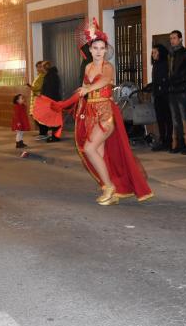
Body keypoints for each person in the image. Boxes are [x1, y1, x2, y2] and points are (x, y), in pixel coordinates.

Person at [36, 19, 153, 205]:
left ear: (106, 50)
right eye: (95, 48)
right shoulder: (88, 67)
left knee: (89, 148)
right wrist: (64, 103)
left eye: (102, 48)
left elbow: (104, 81)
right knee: (99, 153)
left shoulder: (108, 67)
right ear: (90, 50)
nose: (99, 51)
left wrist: (88, 89)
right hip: (89, 113)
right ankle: (111, 190)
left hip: (106, 114)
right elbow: (82, 89)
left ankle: (109, 187)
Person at [168, 30, 186, 154]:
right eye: (171, 38)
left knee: (185, 116)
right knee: (175, 118)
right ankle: (180, 144)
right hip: (172, 90)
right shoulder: (171, 54)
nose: (172, 40)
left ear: (180, 39)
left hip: (182, 90)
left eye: (174, 38)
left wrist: (179, 81)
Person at [144, 44, 172, 152]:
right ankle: (162, 139)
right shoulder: (156, 64)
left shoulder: (165, 64)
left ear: (160, 53)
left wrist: (157, 87)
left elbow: (164, 80)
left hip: (164, 95)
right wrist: (149, 86)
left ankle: (168, 141)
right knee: (160, 119)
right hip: (157, 95)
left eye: (155, 52)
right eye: (152, 52)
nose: (153, 54)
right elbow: (156, 81)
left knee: (167, 118)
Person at [41, 62, 61, 142]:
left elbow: (49, 90)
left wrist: (46, 100)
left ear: (45, 68)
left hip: (52, 100)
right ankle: (54, 136)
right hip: (53, 99)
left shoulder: (50, 76)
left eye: (42, 67)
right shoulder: (51, 75)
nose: (41, 68)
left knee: (54, 119)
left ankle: (55, 137)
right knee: (54, 119)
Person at [27, 61, 48, 140]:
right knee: (36, 117)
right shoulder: (39, 76)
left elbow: (38, 88)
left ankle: (43, 133)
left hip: (39, 99)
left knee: (39, 117)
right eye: (37, 67)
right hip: (35, 99)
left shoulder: (43, 76)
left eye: (40, 66)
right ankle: (42, 132)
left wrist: (31, 87)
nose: (38, 68)